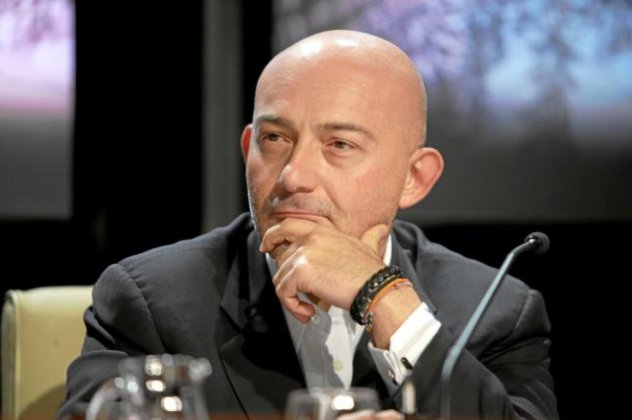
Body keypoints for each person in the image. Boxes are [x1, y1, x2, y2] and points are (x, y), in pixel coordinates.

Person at [59, 30, 557, 419]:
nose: (293, 176)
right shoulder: (153, 303)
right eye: (274, 139)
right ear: (248, 149)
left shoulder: (494, 312)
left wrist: (385, 297)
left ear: (414, 178)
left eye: (339, 145)